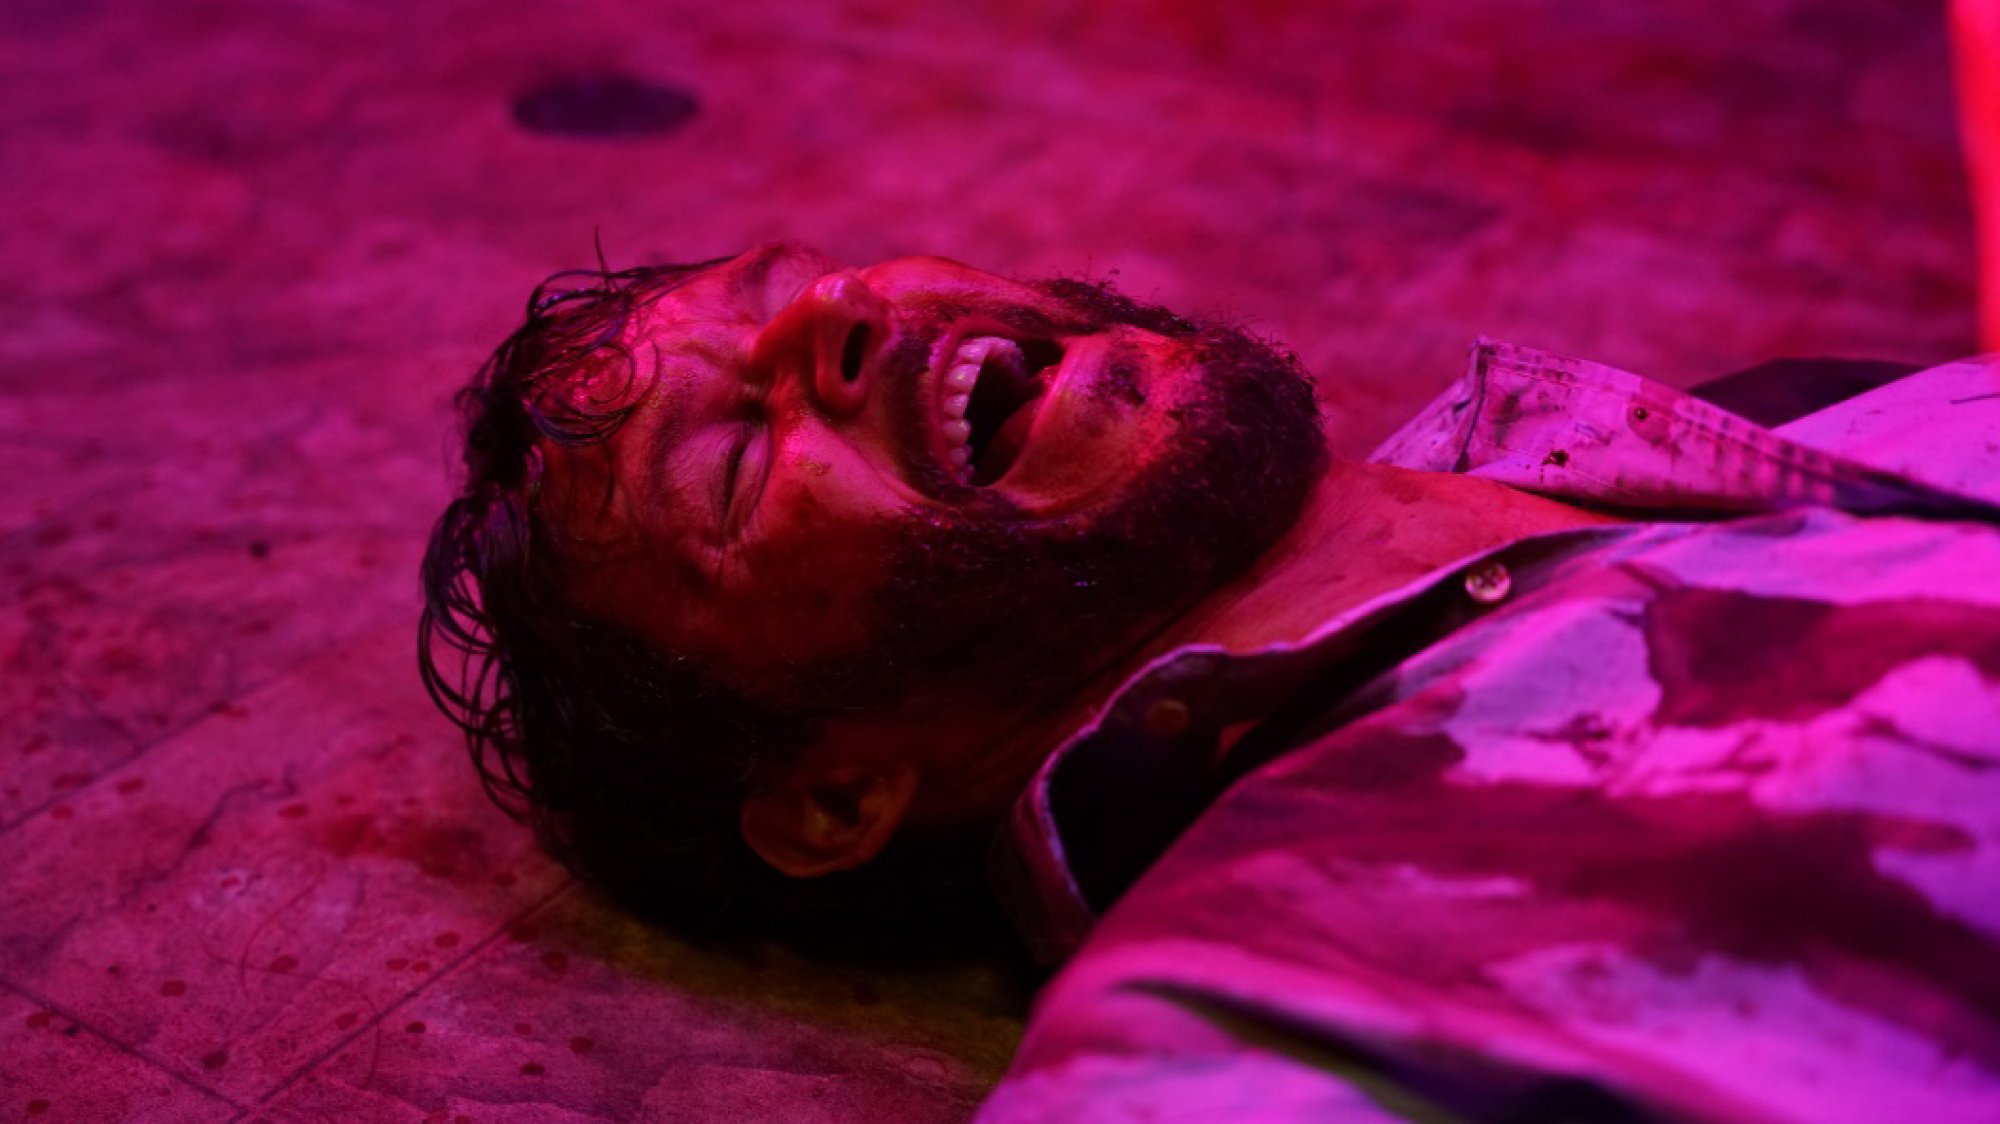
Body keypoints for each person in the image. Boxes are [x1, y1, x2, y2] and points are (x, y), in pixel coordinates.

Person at [421, 243, 2000, 1122]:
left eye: (806, 275)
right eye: (741, 460)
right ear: (841, 790)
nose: (841, 314)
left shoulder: (1829, 416)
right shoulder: (1259, 1018)